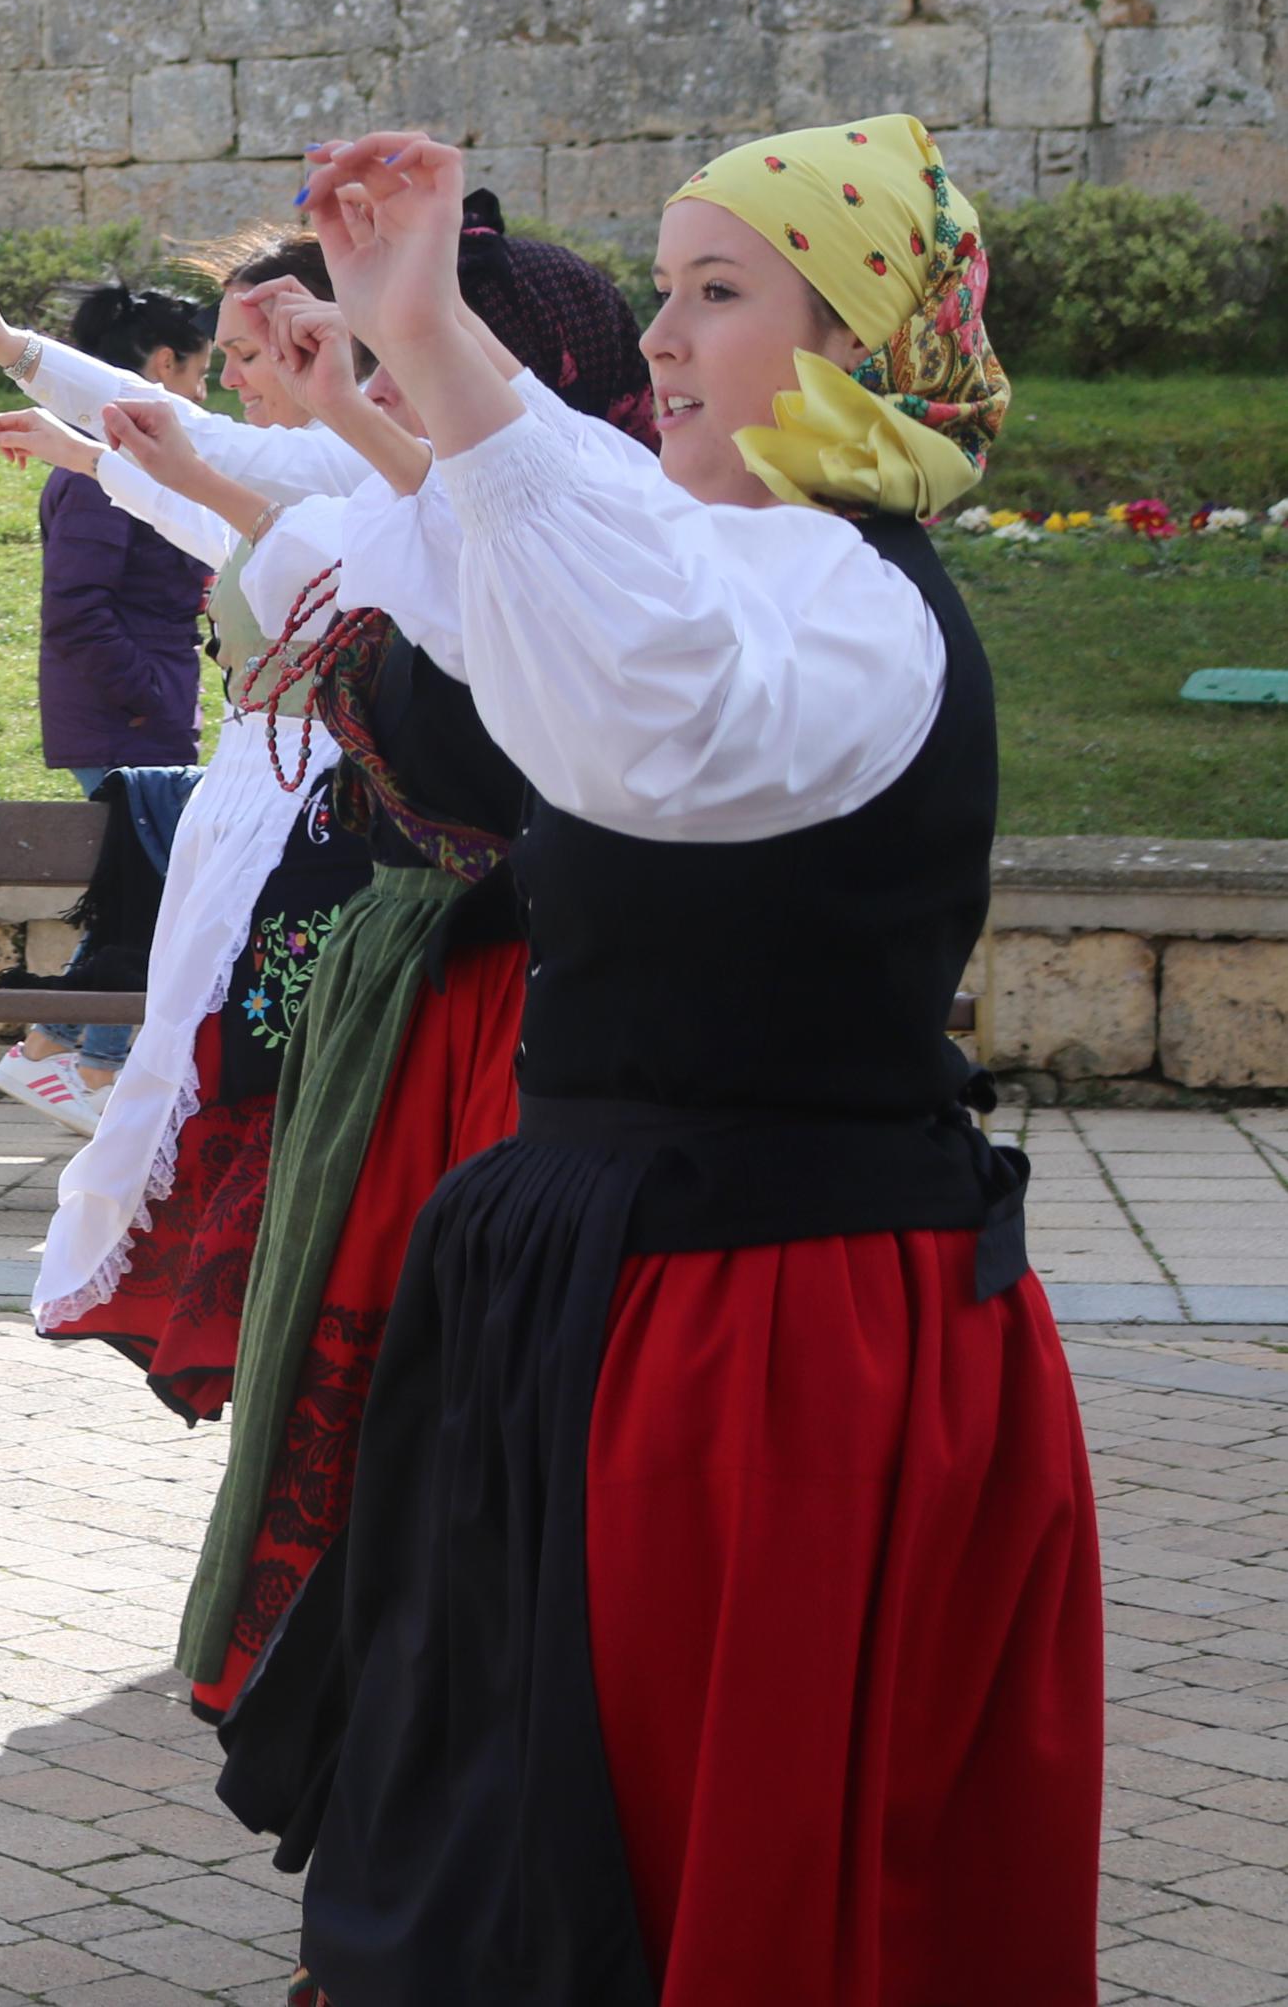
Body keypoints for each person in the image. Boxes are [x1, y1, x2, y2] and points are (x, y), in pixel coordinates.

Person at [270, 121, 1093, 2005]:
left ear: (853, 351)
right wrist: (411, 350)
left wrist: (442, 353)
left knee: (676, 1854)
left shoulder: (847, 604)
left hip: (776, 1342)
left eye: (715, 294)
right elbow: (538, 589)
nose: (654, 335)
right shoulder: (725, 560)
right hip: (644, 1303)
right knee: (539, 1844)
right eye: (660, 286)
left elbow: (644, 706)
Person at [155, 208, 656, 1734]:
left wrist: (350, 412)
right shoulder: (465, 525)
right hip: (422, 1003)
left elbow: (489, 578)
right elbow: (403, 521)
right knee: (398, 1417)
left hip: (515, 1023)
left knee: (480, 1419)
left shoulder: (632, 561)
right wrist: (330, 415)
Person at [0, 243, 371, 1413]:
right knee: (198, 1071)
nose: (240, 378)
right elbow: (220, 514)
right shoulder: (318, 485)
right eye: (236, 355)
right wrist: (81, 449)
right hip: (247, 818)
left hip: (305, 831)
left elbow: (222, 466)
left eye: (262, 354)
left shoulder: (361, 468)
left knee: (241, 1083)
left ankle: (255, 1318)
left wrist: (14, 351)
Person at [0, 281, 216, 1129]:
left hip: (139, 711)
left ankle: (57, 1052)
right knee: (146, 888)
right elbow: (77, 608)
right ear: (162, 364)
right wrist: (149, 695)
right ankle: (80, 1061)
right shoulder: (95, 470)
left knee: (142, 880)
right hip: (126, 717)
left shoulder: (108, 456)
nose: (202, 395)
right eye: (198, 374)